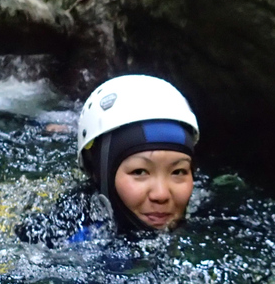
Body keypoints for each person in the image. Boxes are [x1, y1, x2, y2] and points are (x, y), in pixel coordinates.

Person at [14, 74, 198, 247]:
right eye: (140, 172)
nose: (161, 195)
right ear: (99, 173)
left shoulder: (209, 217)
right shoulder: (62, 235)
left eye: (178, 172)